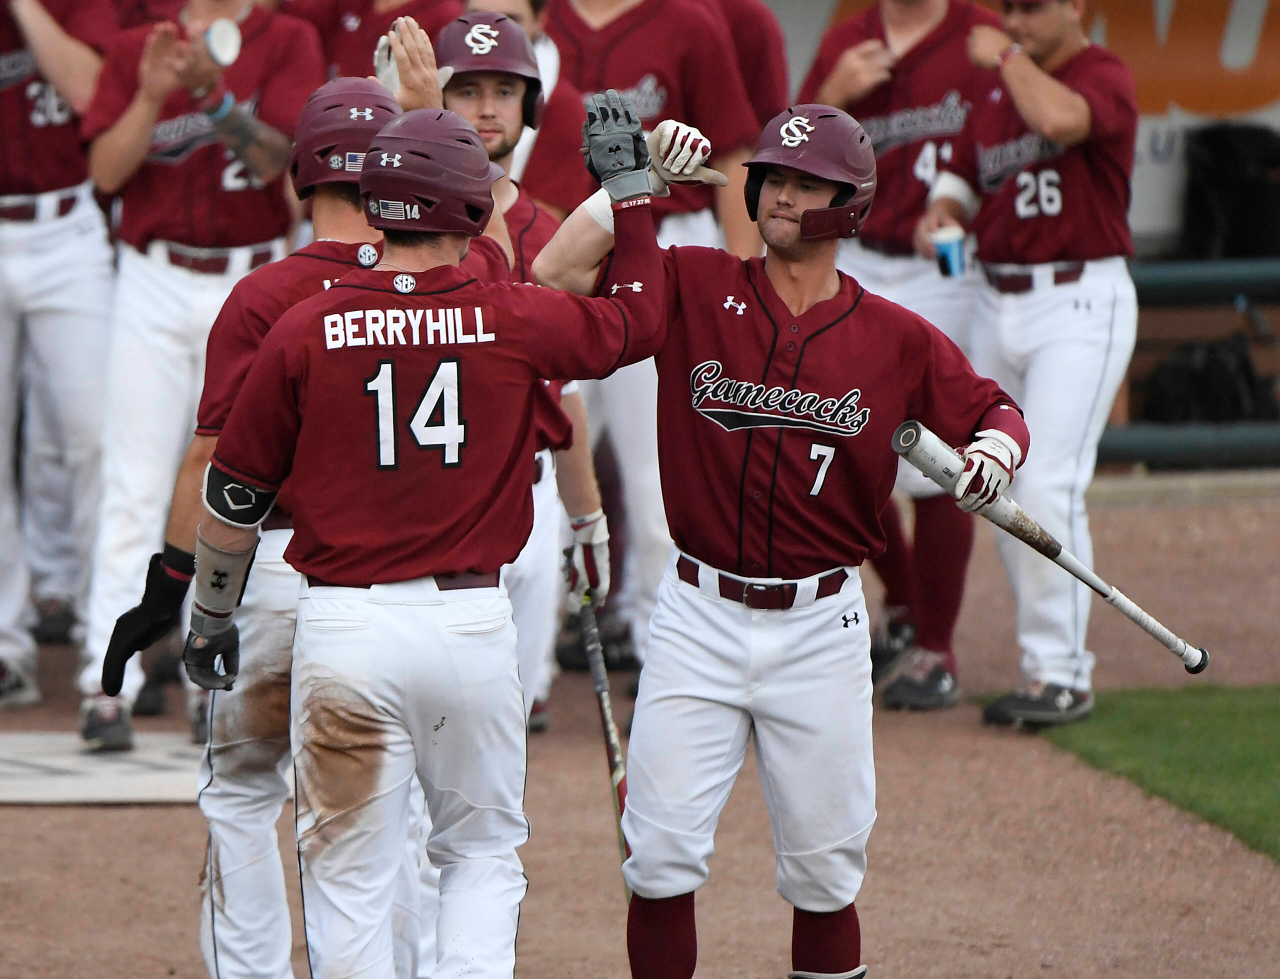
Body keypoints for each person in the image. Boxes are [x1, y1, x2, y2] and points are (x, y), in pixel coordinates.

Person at [534, 104, 1031, 979]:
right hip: (694, 613)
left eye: (806, 183)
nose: (780, 194)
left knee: (825, 875)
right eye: (773, 177)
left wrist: (995, 448)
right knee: (655, 860)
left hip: (821, 626)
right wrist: (635, 185)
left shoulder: (895, 335)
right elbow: (553, 273)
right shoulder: (690, 279)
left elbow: (994, 408)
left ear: (850, 204)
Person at [177, 97, 662, 979]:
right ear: (474, 209)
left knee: (350, 881)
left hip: (342, 631)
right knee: (476, 856)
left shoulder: (302, 323)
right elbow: (640, 323)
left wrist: (211, 615)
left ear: (372, 201)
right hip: (471, 628)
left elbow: (235, 492)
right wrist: (630, 196)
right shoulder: (510, 311)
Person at [100, 65, 477, 976]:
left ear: (297, 174)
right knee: (389, 818)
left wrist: (178, 590)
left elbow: (213, 464)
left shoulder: (265, 296)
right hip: (402, 588)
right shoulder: (448, 287)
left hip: (269, 579)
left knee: (241, 797)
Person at [76, 0, 325, 749]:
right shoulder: (139, 43)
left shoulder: (287, 38)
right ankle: (104, 676)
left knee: (235, 481)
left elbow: (282, 165)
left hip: (249, 280)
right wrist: (154, 93)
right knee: (134, 479)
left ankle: (204, 676)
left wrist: (214, 97)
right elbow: (105, 172)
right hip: (151, 278)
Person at [914, 0, 1137, 727]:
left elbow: (1063, 122)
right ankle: (1047, 664)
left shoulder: (1100, 72)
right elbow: (961, 180)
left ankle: (1062, 671)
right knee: (991, 477)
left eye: (1031, 7)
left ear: (1076, 6)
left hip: (1078, 297)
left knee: (1045, 479)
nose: (1015, 19)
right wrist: (942, 215)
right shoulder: (992, 90)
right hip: (995, 297)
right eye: (1007, 8)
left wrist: (1006, 58)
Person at [797, 0, 1004, 710]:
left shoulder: (980, 36)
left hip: (944, 264)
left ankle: (936, 644)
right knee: (846, 438)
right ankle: (909, 603)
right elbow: (792, 153)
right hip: (856, 253)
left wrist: (956, 210)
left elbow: (1004, 145)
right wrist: (831, 94)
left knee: (941, 450)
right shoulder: (848, 39)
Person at [436, 10, 606, 729]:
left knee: (503, 749)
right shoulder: (406, 223)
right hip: (429, 491)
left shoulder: (550, 231)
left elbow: (562, 395)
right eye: (466, 89)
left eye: (503, 90)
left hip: (532, 497)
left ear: (529, 106)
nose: (484, 107)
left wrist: (587, 519)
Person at [0, 0, 117, 708]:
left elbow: (88, 92)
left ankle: (101, 636)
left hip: (67, 226)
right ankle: (4, 645)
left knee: (94, 437)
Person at [462, 0, 594, 219]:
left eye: (510, 21)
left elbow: (541, 236)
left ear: (540, 20)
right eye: (479, 18)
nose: (493, 33)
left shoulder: (564, 108)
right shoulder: (430, 87)